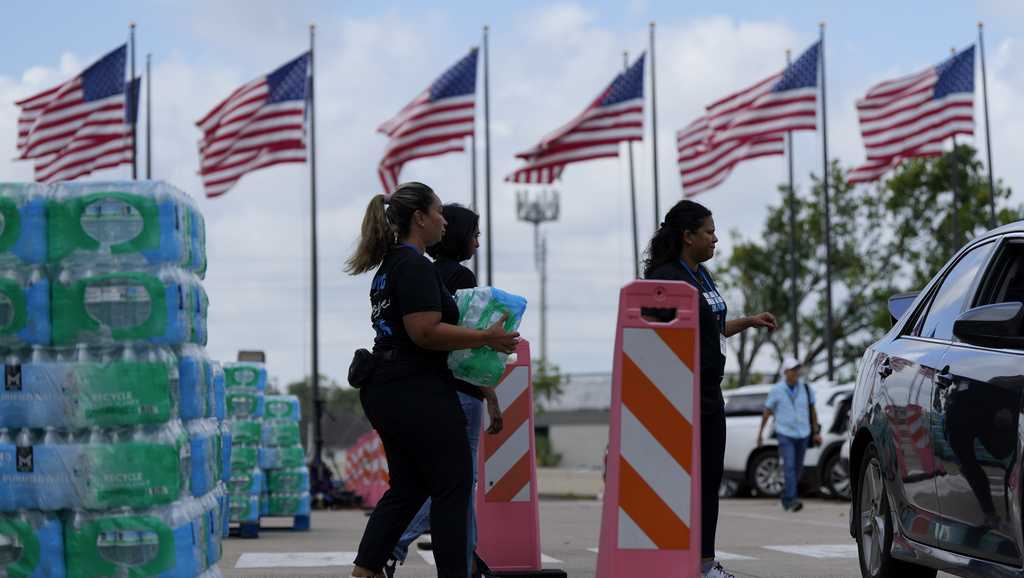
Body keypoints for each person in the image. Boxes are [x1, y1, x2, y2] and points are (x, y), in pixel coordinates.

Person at [344, 182, 519, 578]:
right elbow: (424, 331)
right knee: (453, 487)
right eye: (438, 211)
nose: (444, 219)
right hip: (416, 389)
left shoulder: (389, 267)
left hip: (388, 387)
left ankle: (367, 569)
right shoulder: (414, 266)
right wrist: (487, 338)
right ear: (419, 218)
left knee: (408, 489)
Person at [642, 199, 777, 578]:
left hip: (709, 394)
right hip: (680, 396)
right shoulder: (667, 280)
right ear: (687, 236)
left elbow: (710, 327)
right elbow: (656, 340)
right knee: (682, 484)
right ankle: (675, 561)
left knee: (708, 482)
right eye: (709, 232)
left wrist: (747, 321)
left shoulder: (701, 275)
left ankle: (703, 563)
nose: (716, 239)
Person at [388, 203, 503, 577]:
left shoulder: (421, 271)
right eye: (476, 234)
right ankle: (394, 542)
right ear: (461, 236)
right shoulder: (463, 279)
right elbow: (471, 346)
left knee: (440, 479)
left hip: (424, 388)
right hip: (461, 390)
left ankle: (466, 558)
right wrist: (489, 392)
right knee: (456, 481)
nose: (478, 242)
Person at [757, 357, 821, 512]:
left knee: (798, 468)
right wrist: (760, 434)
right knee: (790, 466)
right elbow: (767, 412)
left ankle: (786, 497)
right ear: (785, 372)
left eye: (796, 369)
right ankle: (792, 499)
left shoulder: (806, 388)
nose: (795, 373)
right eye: (792, 370)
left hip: (803, 433)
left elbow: (812, 411)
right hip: (785, 433)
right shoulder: (776, 390)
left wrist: (816, 432)